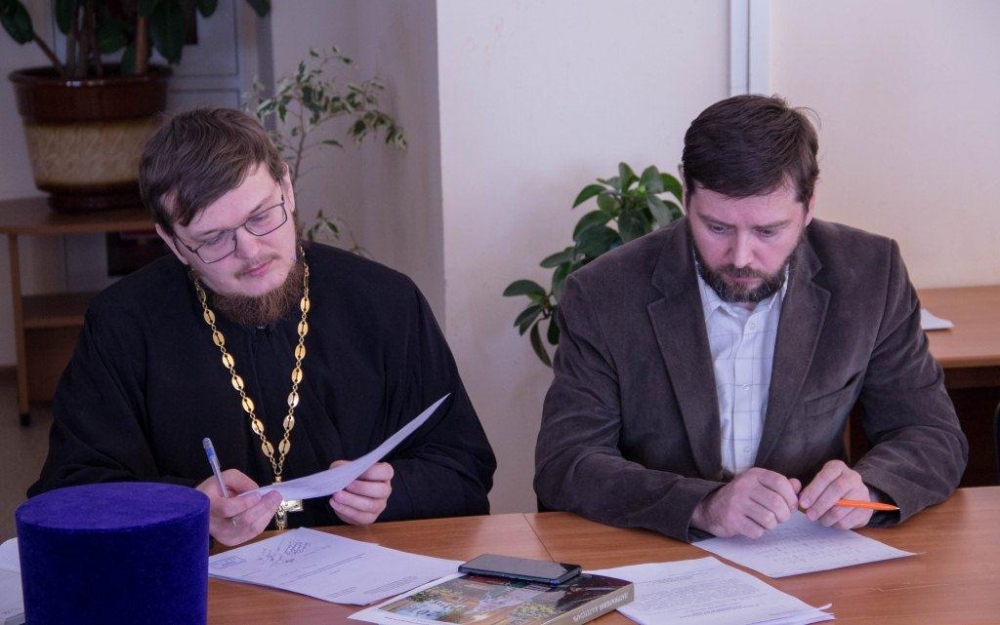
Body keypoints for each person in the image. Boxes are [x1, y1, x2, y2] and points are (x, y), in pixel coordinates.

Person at [29, 107, 496, 546]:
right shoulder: (123, 325)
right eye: (214, 238)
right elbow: (69, 494)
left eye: (261, 217)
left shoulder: (385, 302)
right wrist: (186, 507)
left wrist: (394, 490)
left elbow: (464, 469)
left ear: (287, 189)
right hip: (209, 583)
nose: (250, 251)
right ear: (172, 242)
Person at [534, 94, 968, 542]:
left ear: (809, 204)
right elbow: (566, 462)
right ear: (686, 195)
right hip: (657, 549)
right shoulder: (604, 293)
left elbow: (931, 433)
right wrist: (702, 505)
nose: (741, 257)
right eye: (717, 227)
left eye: (767, 231)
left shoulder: (870, 275)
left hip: (807, 551)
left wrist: (868, 487)